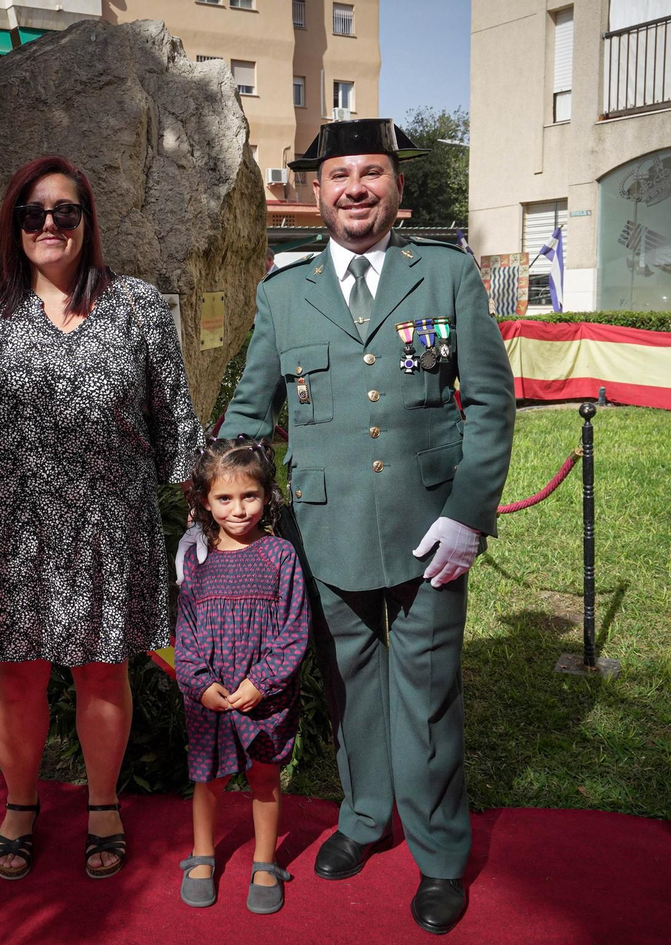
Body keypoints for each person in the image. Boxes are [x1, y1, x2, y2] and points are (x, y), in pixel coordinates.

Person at [217, 119, 516, 936]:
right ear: (316, 191)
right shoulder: (284, 293)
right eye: (339, 174)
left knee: (427, 697)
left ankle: (441, 853)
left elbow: (491, 404)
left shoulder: (448, 276)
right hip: (326, 529)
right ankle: (361, 818)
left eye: (371, 173)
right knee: (349, 687)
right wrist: (223, 502)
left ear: (397, 187)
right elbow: (250, 409)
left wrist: (469, 514)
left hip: (431, 531)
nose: (355, 187)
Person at [0, 156, 203, 882]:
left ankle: (103, 803)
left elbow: (175, 420)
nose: (49, 225)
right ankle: (20, 803)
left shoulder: (138, 306)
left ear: (87, 222)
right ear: (13, 226)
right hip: (8, 534)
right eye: (33, 213)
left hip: (108, 530)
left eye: (65, 212)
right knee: (14, 678)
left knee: (101, 674)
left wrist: (208, 525)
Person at [173, 436, 309, 915]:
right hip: (210, 699)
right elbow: (184, 633)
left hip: (265, 698)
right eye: (224, 498)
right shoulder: (195, 559)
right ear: (205, 500)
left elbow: (295, 631)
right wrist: (199, 684)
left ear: (267, 496)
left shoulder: (281, 557)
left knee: (265, 779)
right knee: (207, 781)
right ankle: (204, 854)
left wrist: (261, 682)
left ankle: (265, 860)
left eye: (249, 495)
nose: (238, 508)